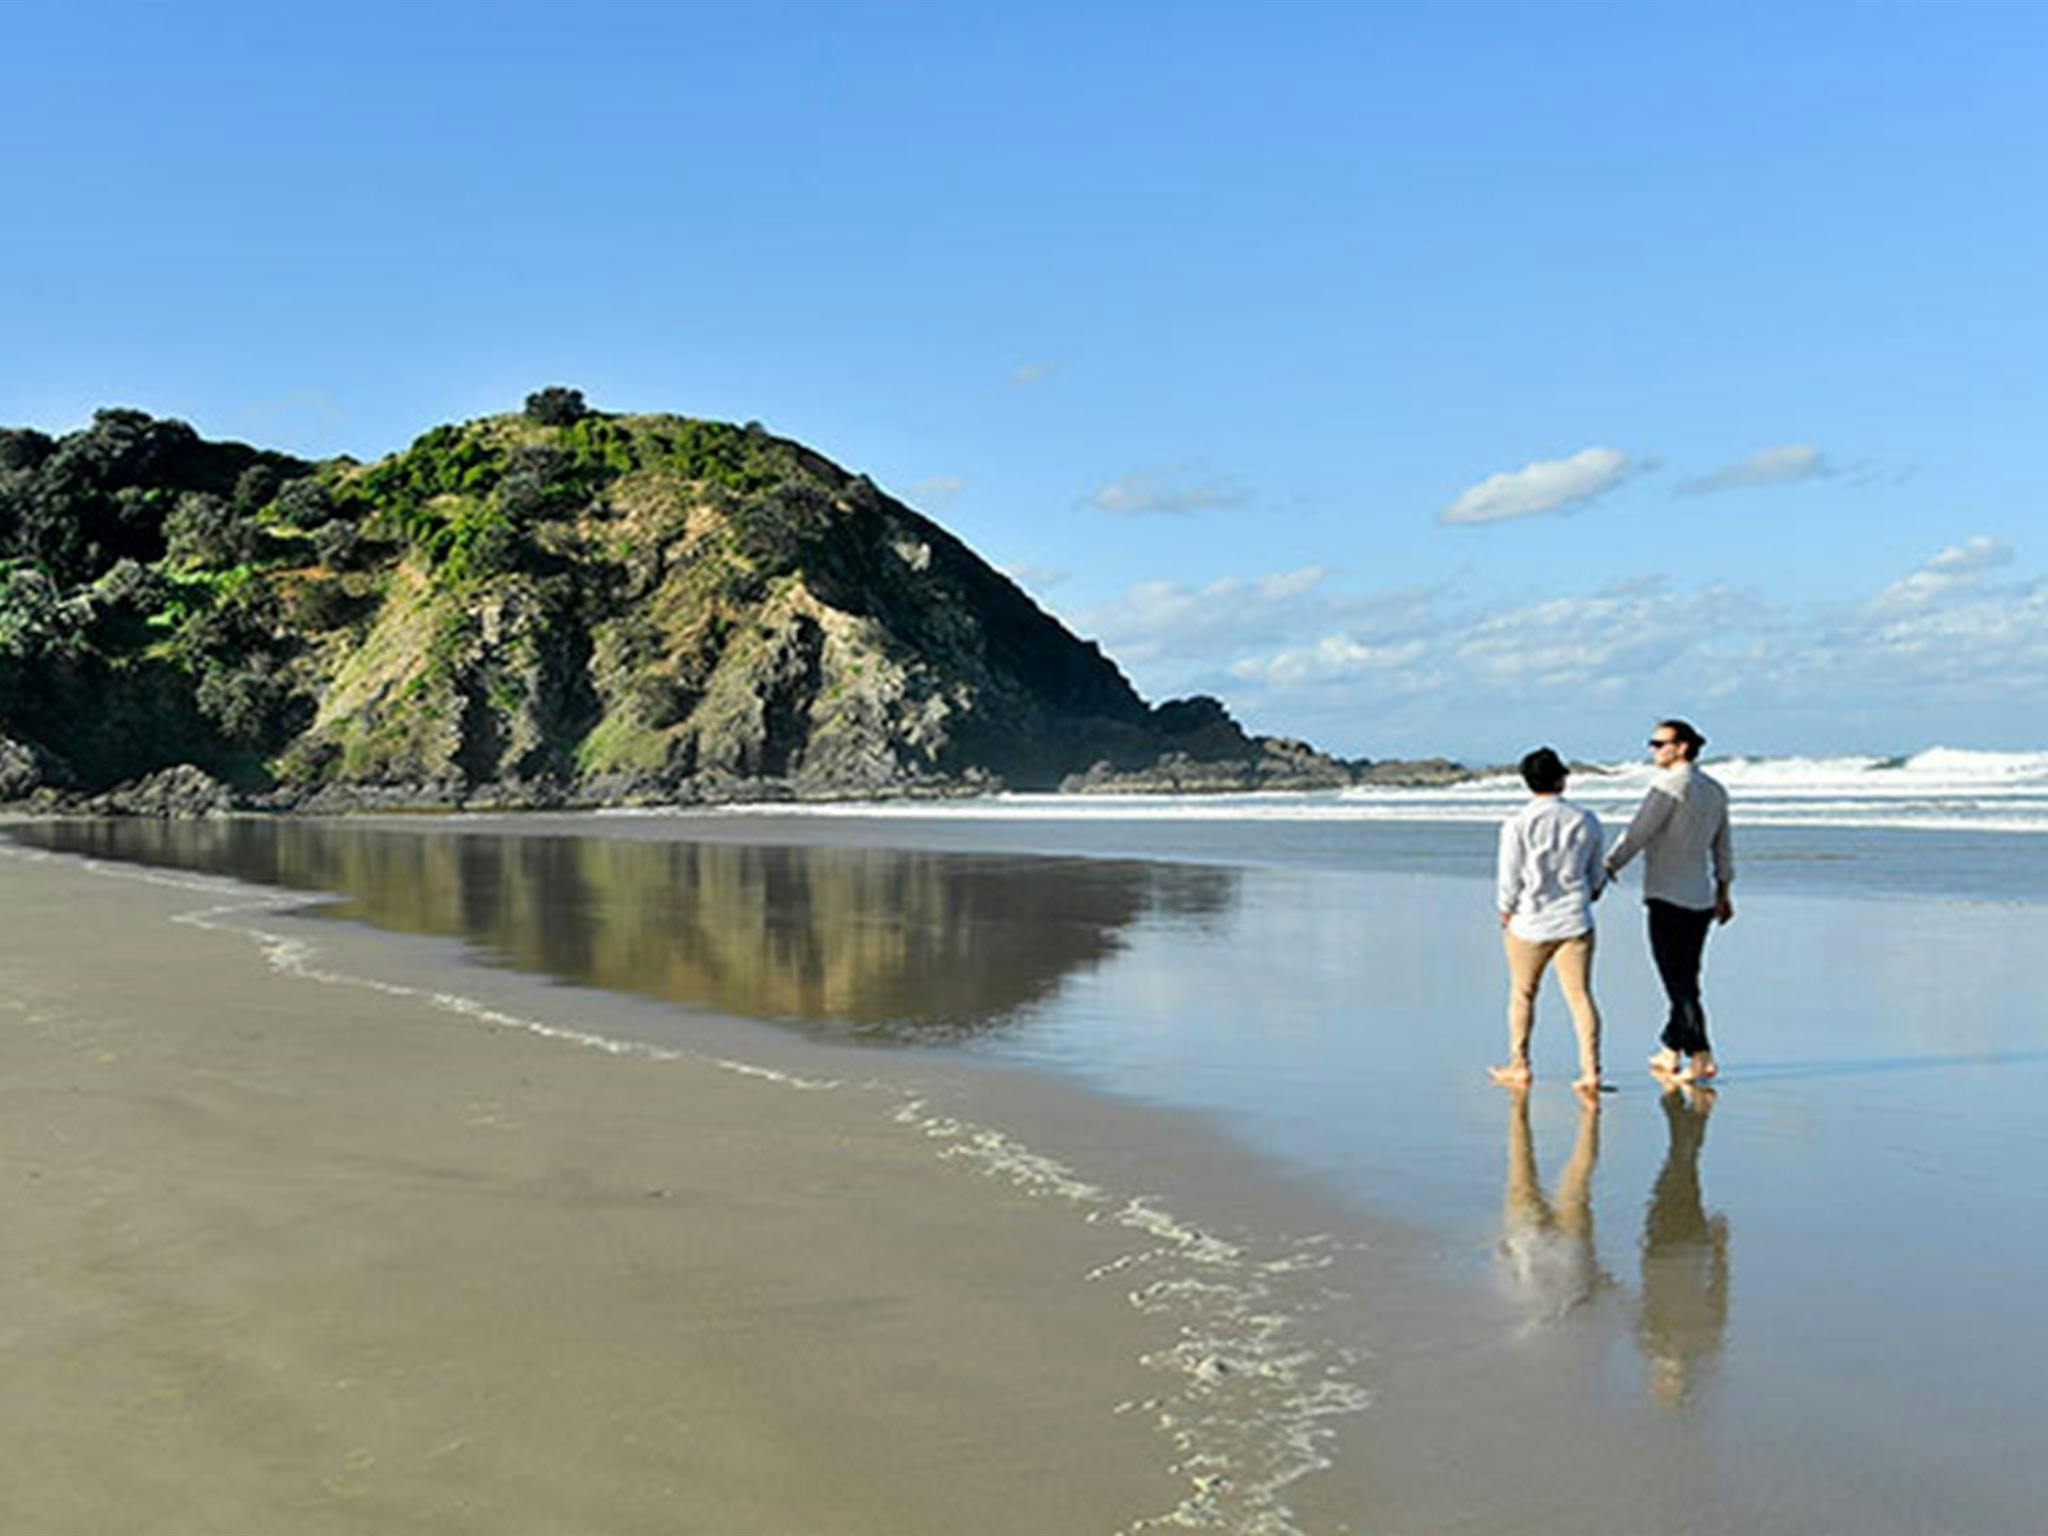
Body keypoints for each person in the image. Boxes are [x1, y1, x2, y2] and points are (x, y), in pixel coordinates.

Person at [1604, 718, 1734, 1081]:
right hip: (1701, 898)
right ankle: (1669, 1049)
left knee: (1678, 983)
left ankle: (1702, 1054)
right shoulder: (1715, 789)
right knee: (1686, 976)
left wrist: (1608, 865)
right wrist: (1724, 891)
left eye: (1659, 743)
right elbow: (1723, 846)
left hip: (1666, 896)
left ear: (1682, 747)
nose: (1652, 749)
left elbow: (1637, 833)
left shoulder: (1669, 785)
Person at [1490, 746, 1607, 1094]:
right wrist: (1592, 892)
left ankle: (1520, 1064)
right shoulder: (1586, 819)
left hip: (1530, 920)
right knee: (1580, 996)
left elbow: (1509, 876)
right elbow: (1596, 873)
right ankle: (1590, 1071)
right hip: (1575, 919)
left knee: (1523, 993)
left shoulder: (1517, 823)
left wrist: (1505, 908)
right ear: (1562, 777)